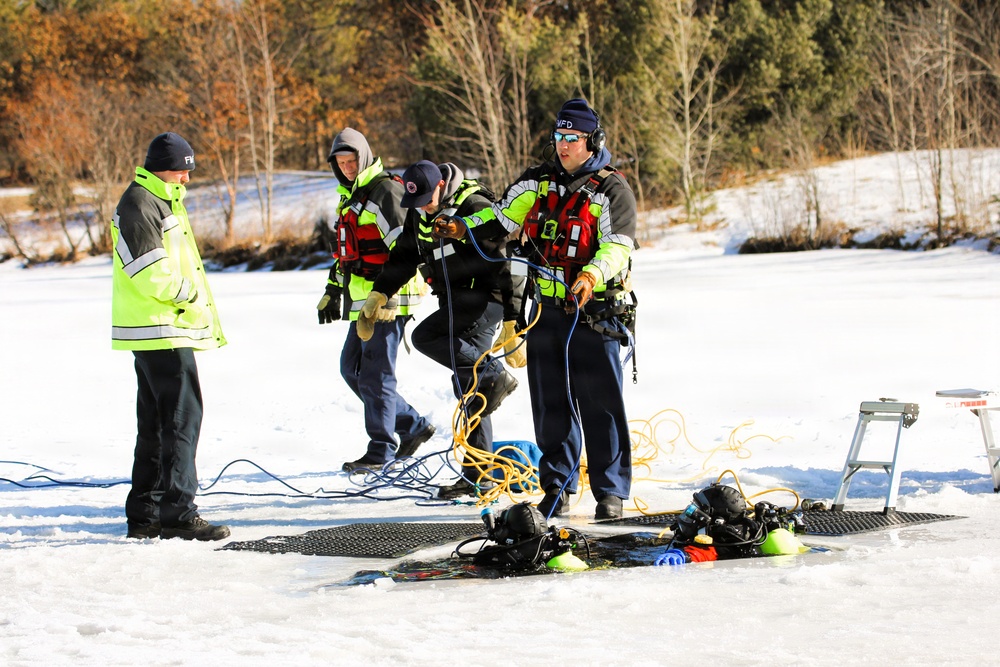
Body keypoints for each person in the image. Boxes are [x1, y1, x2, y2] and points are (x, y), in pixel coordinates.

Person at [435, 98, 638, 520]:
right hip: (547, 312)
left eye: (573, 139)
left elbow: (618, 246)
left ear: (592, 140)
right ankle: (557, 487)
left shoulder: (612, 189)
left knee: (601, 403)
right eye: (559, 138)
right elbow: (501, 219)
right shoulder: (536, 183)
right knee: (551, 406)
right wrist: (460, 227)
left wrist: (591, 276)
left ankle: (610, 493)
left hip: (596, 313)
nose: (564, 146)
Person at [356, 160, 521, 499]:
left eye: (427, 201)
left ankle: (495, 375)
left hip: (486, 299)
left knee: (426, 338)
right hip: (455, 302)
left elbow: (507, 261)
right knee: (472, 387)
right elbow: (404, 256)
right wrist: (379, 293)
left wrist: (512, 318)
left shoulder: (474, 206)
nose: (423, 209)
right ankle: (480, 476)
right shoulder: (420, 214)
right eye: (416, 205)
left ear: (441, 187)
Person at [111, 132, 230, 541]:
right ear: (167, 165)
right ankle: (178, 512)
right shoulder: (141, 202)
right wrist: (188, 293)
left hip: (160, 327)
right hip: (160, 326)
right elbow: (148, 270)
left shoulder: (158, 199)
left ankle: (147, 514)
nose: (187, 179)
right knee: (182, 419)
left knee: (159, 423)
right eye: (184, 170)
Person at [317, 128, 434, 472]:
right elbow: (346, 253)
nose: (347, 166)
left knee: (376, 374)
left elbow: (407, 247)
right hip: (363, 301)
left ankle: (381, 448)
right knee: (351, 368)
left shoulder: (385, 191)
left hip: (388, 300)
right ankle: (411, 426)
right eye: (341, 161)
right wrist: (332, 289)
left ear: (364, 157)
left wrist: (389, 296)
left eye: (352, 160)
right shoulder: (351, 196)